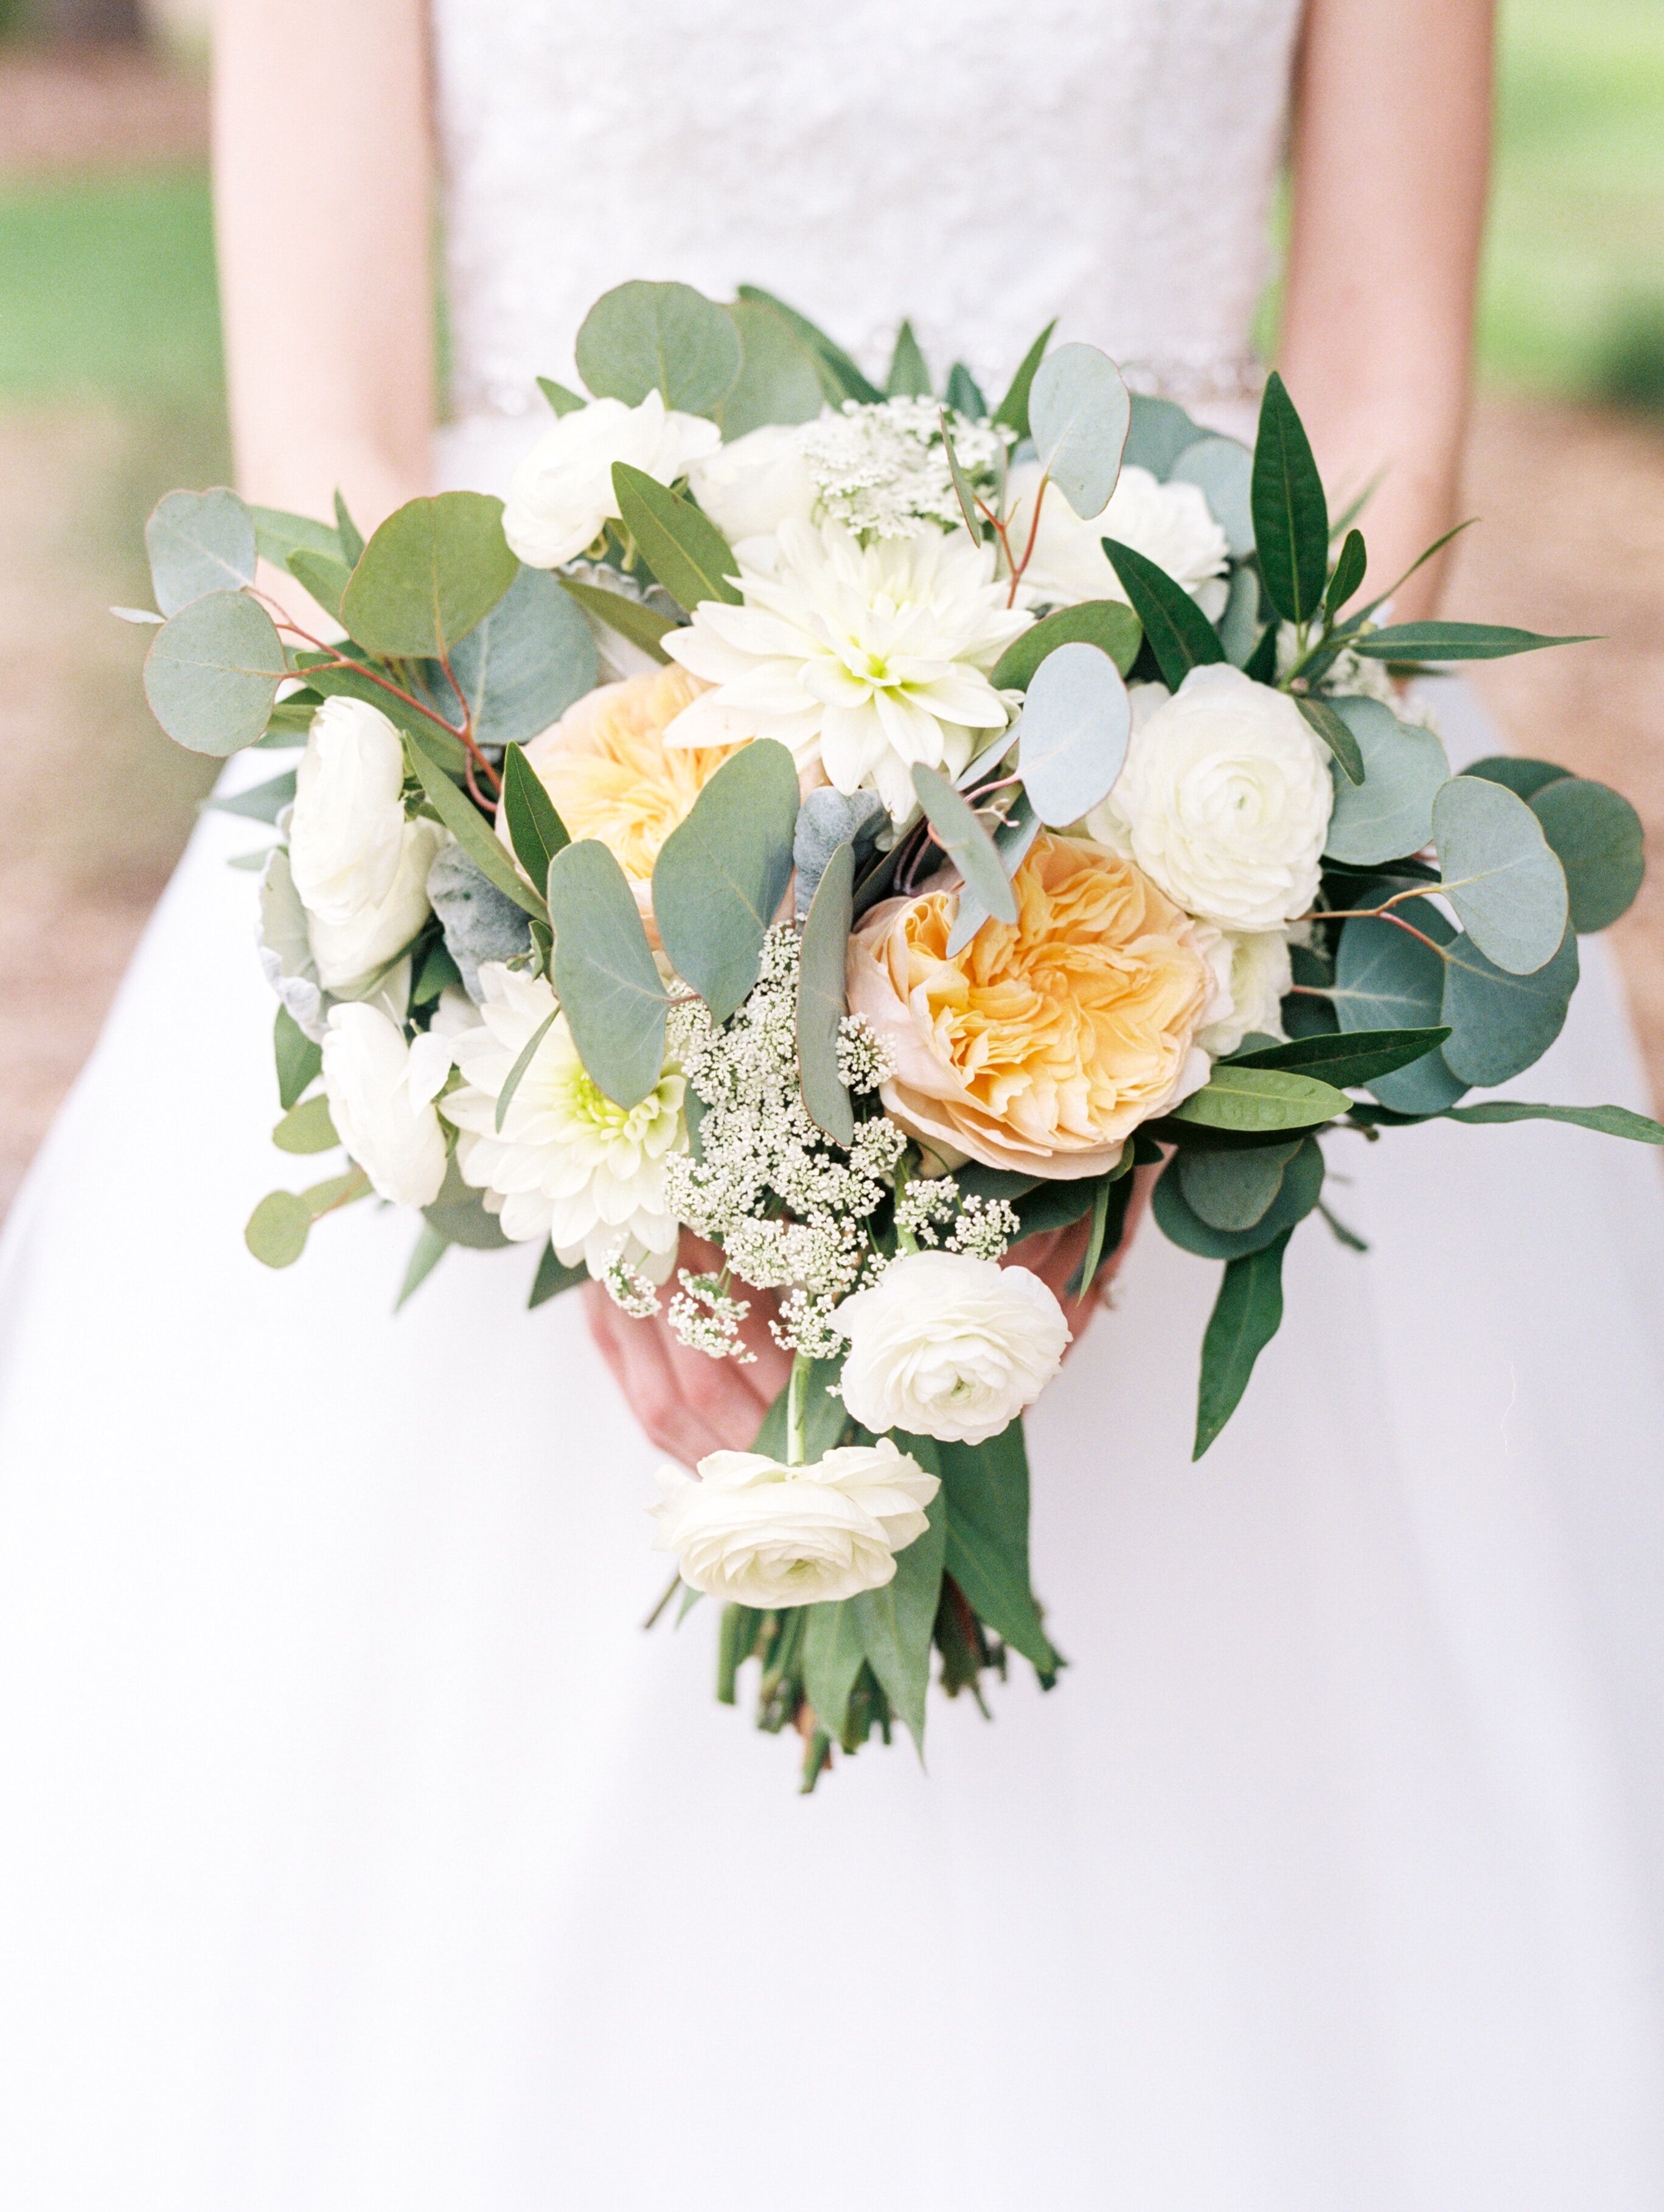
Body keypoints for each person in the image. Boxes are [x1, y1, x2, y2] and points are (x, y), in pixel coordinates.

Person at [1, 2, 1661, 2204]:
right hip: (540, 798)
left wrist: (1141, 1017)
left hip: (1168, 802)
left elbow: (1385, 414)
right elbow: (333, 448)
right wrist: (618, 1075)